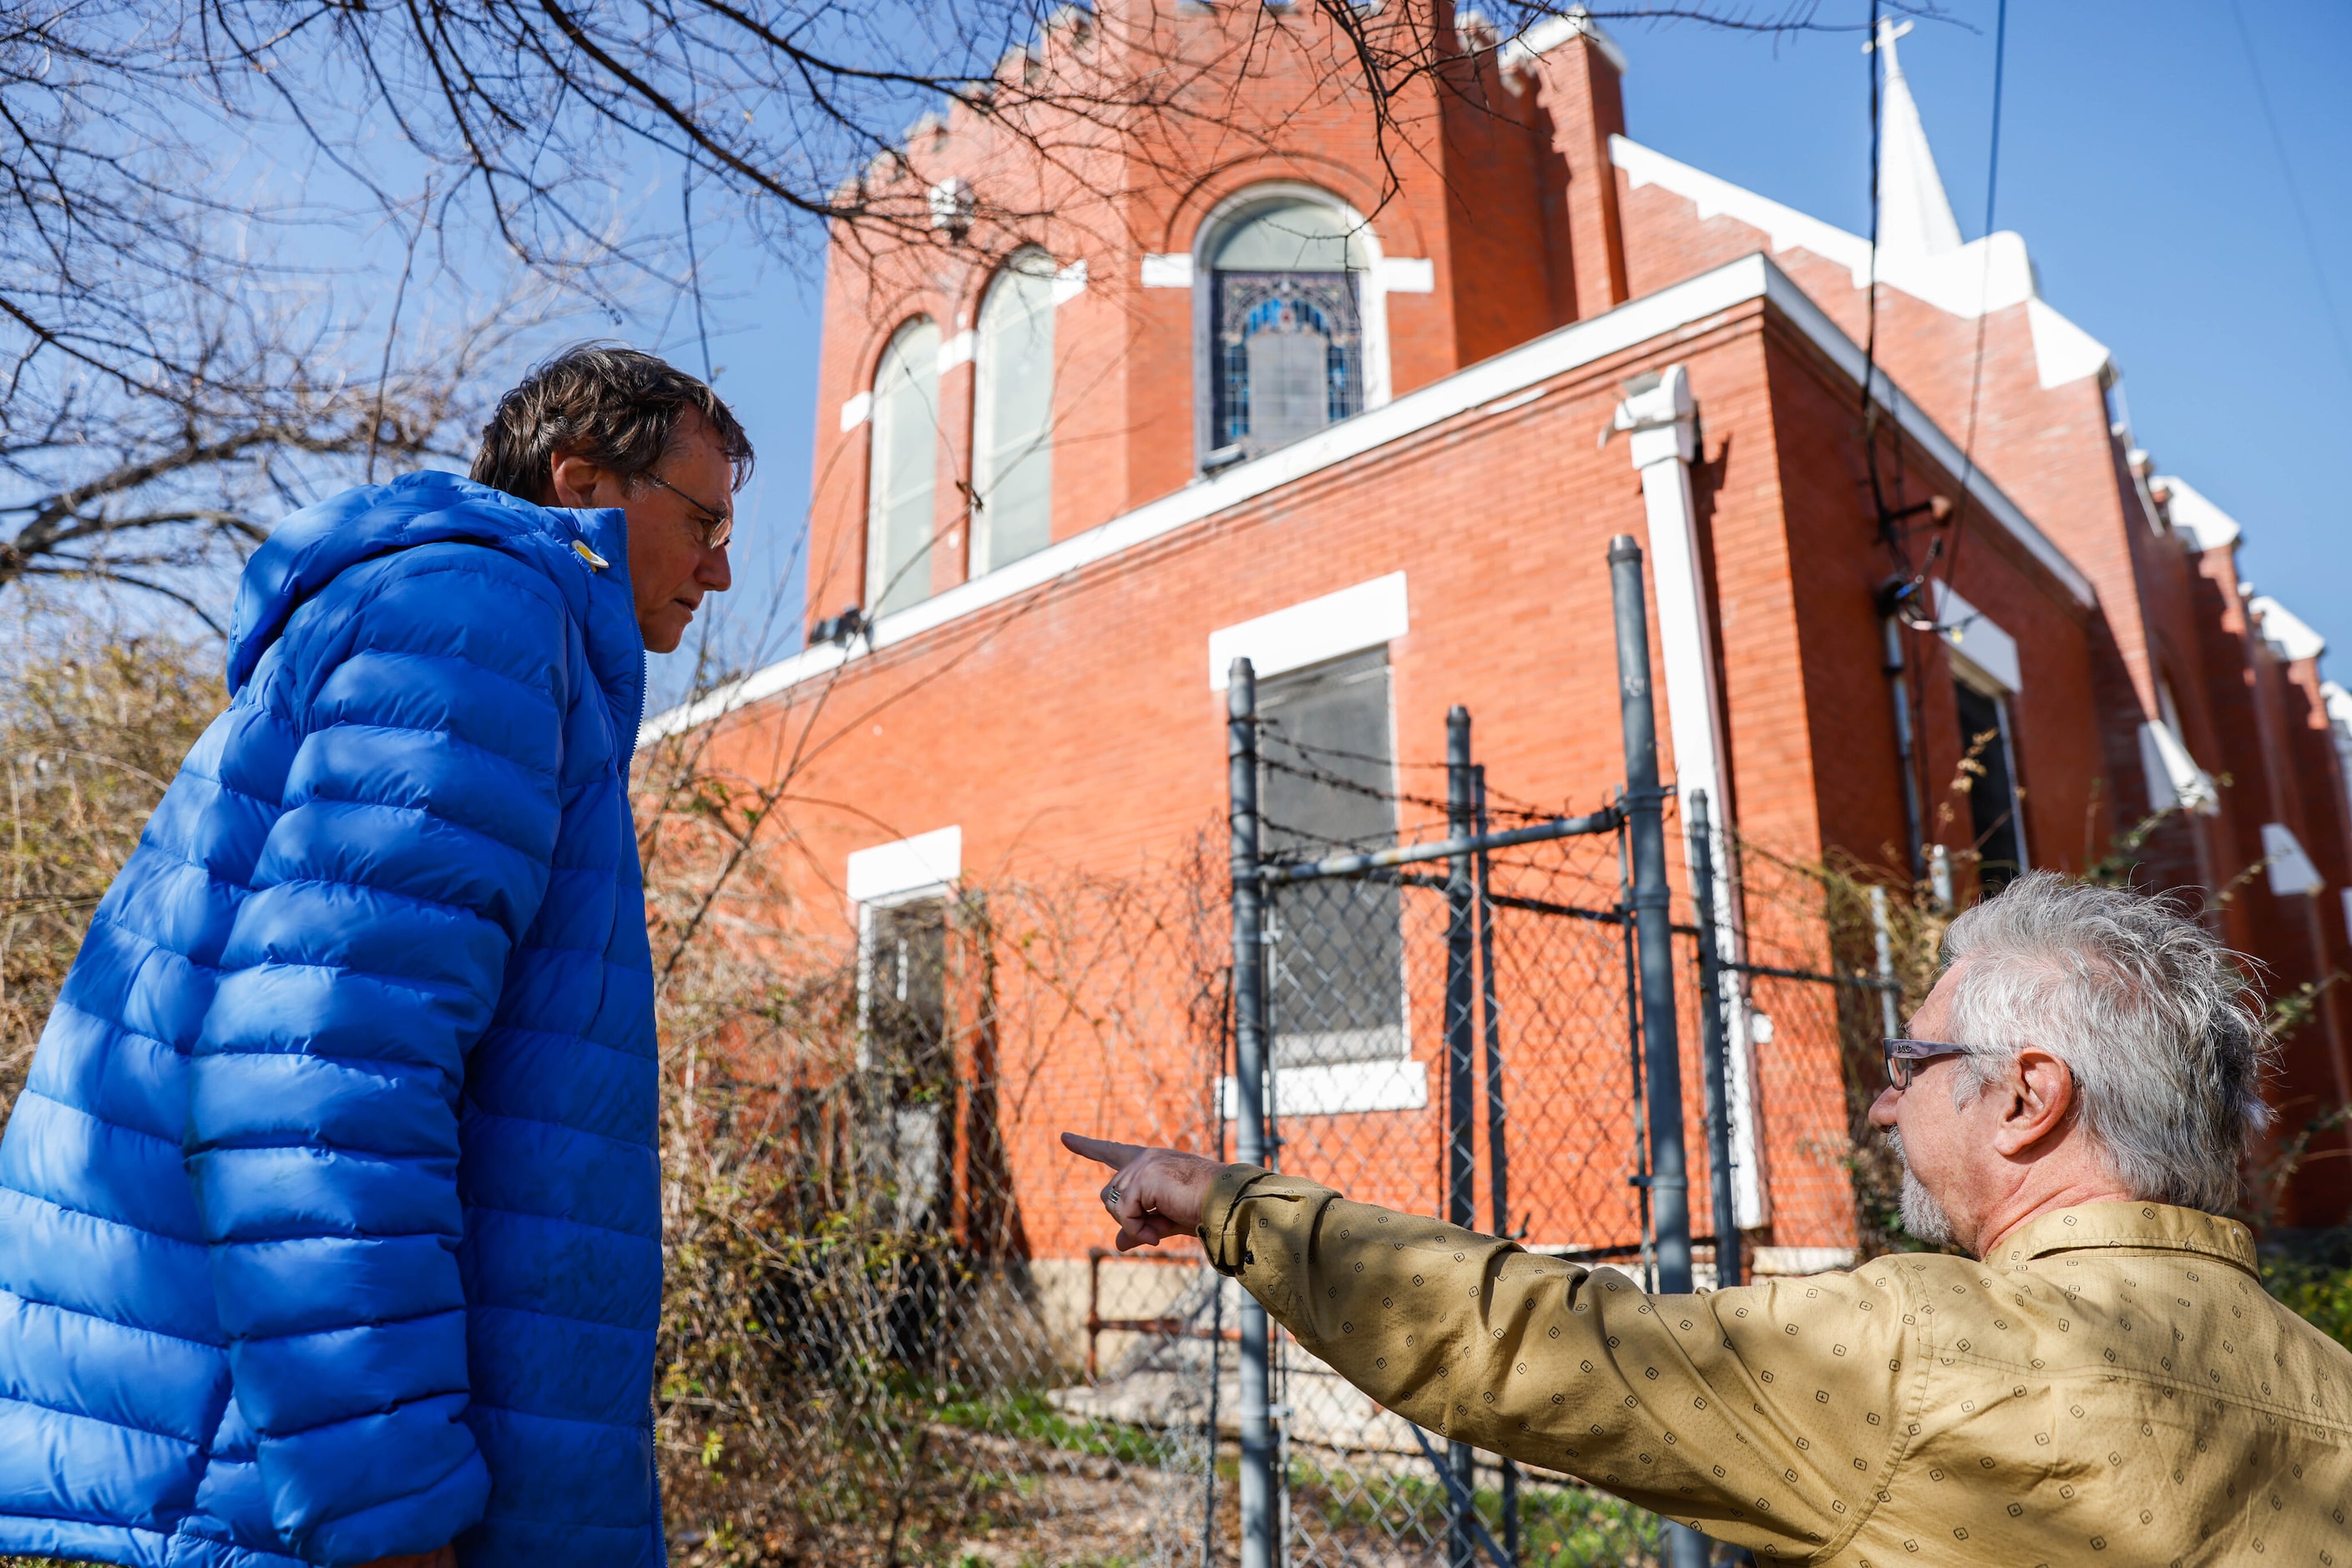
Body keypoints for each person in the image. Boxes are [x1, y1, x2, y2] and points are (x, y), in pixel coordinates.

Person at [0, 344, 745, 1568]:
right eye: (702, 520)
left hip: (243, 1478)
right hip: (274, 1504)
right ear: (581, 484)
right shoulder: (480, 622)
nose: (721, 568)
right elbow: (312, 1087)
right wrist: (388, 1510)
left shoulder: (474, 632)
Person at [1068, 872, 2352, 1564]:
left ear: (2024, 1096)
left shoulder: (1924, 1352)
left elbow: (1537, 1344)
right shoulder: (2331, 1389)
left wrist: (1225, 1198)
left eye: (1906, 1064)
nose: (1876, 1107)